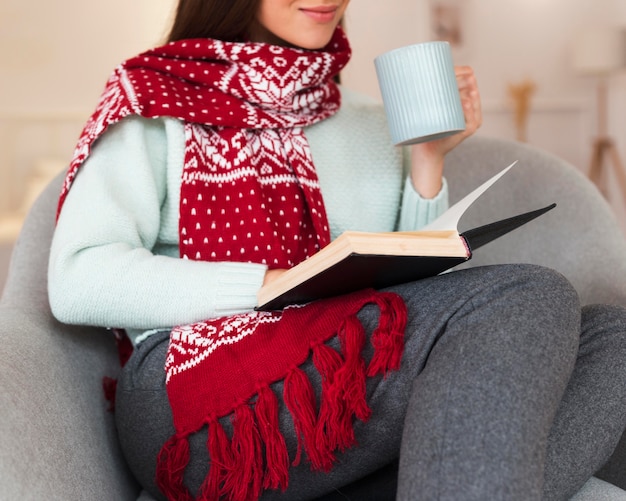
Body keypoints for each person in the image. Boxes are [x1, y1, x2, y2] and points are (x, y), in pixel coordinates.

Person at [48, 1, 626, 500]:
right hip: (190, 399)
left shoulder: (370, 119)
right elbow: (79, 276)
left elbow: (409, 303)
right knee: (525, 296)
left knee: (613, 338)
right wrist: (267, 285)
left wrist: (427, 158)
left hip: (338, 379)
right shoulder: (154, 97)